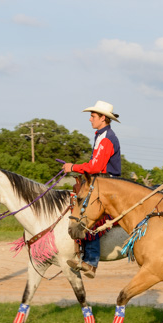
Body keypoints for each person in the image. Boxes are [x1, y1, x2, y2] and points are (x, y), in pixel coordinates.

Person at [63, 100, 121, 279]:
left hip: (106, 183)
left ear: (103, 118)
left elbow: (96, 166)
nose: (90, 119)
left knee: (90, 216)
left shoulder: (106, 138)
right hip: (101, 182)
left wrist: (74, 167)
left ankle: (91, 262)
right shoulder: (101, 135)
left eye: (93, 116)